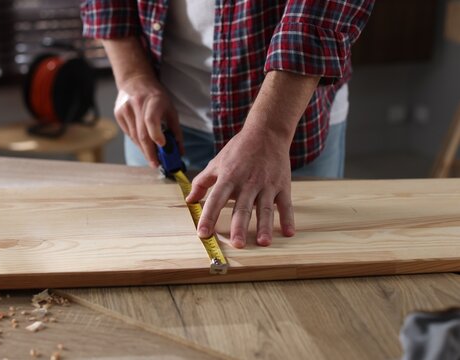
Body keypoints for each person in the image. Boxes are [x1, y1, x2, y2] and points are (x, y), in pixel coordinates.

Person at [80, 0, 375, 248]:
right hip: (162, 120)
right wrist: (131, 73)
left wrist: (271, 129)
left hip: (293, 120)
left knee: (301, 263)